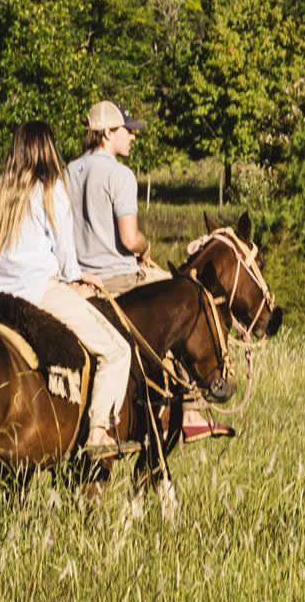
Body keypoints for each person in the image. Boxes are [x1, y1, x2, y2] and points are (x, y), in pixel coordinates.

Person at [66, 100, 233, 443]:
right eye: (128, 131)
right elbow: (129, 239)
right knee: (190, 301)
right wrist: (145, 248)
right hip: (119, 278)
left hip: (78, 280)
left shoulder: (68, 172)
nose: (133, 137)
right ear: (108, 133)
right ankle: (191, 410)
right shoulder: (120, 175)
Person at [0, 121, 137, 458]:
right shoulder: (51, 190)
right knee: (118, 351)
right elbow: (65, 259)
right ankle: (97, 433)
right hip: (35, 290)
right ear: (48, 149)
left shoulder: (0, 194)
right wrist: (80, 279)